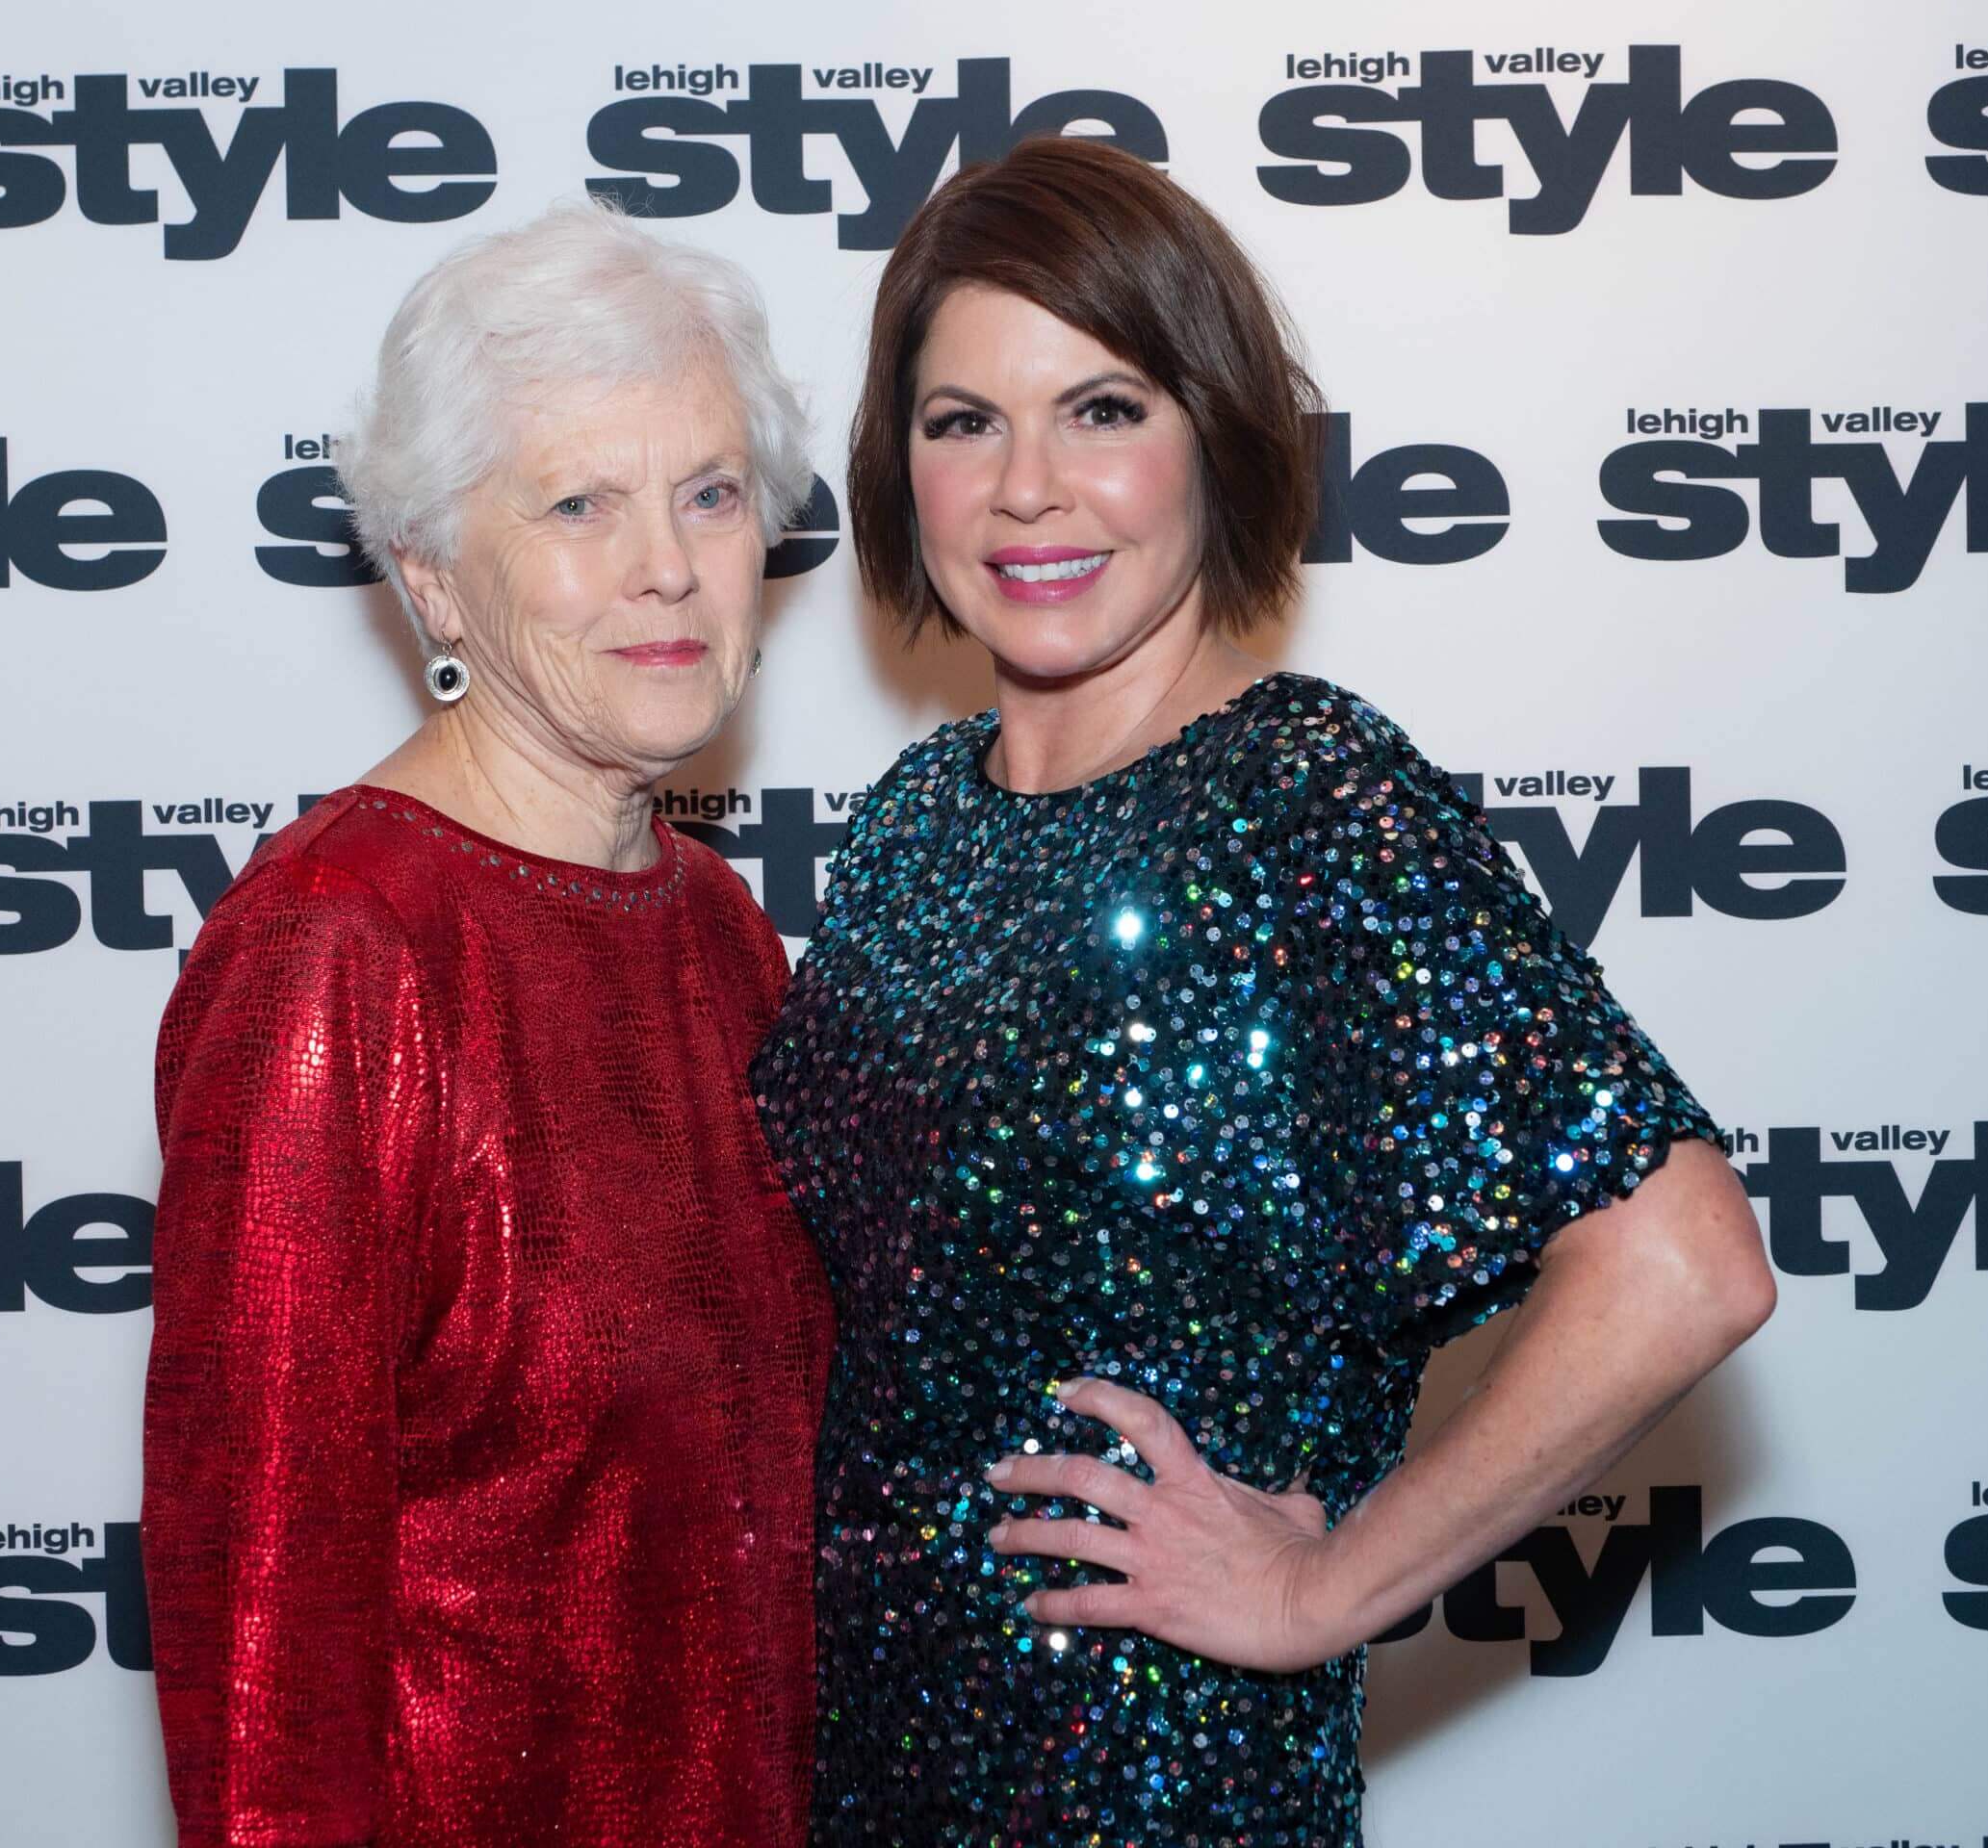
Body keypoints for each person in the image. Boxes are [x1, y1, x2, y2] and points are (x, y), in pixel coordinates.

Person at [752, 138, 1775, 1845]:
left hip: (1156, 1783)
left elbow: (1680, 1265)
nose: (1026, 489)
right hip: (874, 1770)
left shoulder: (1307, 800)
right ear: (895, 468)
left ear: (1213, 441)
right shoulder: (915, 826)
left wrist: (1316, 1593)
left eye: (1102, 409)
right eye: (961, 422)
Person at [142, 203, 831, 1848]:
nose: (666, 564)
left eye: (711, 495)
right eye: (580, 503)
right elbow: (264, 1654)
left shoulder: (729, 937)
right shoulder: (335, 956)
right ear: (434, 578)